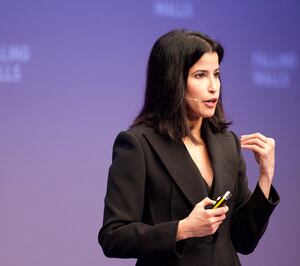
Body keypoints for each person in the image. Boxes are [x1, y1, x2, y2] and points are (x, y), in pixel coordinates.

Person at [98, 29, 280, 266]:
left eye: (217, 74)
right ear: (172, 81)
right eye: (201, 75)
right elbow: (113, 236)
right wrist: (183, 229)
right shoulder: (138, 144)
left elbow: (243, 240)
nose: (214, 87)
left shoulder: (228, 143)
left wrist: (265, 178)